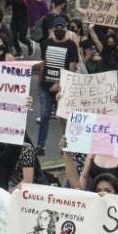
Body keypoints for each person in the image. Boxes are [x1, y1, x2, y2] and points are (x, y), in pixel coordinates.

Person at [37, 16, 77, 155]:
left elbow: (72, 69)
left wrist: (60, 84)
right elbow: (43, 63)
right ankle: (40, 145)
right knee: (44, 115)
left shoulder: (71, 46)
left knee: (63, 117)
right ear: (53, 29)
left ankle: (65, 144)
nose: (59, 30)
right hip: (46, 87)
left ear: (66, 29)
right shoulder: (46, 43)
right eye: (57, 27)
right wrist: (39, 82)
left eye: (62, 27)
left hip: (62, 89)